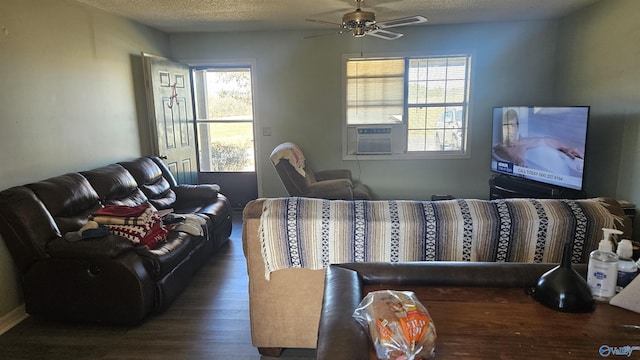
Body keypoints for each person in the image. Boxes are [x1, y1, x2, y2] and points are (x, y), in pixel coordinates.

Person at [493, 109, 583, 167]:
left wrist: (565, 148)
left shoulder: (523, 143)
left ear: (517, 127)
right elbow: (502, 150)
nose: (510, 130)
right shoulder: (498, 147)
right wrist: (517, 159)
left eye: (513, 126)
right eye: (506, 126)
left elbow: (546, 140)